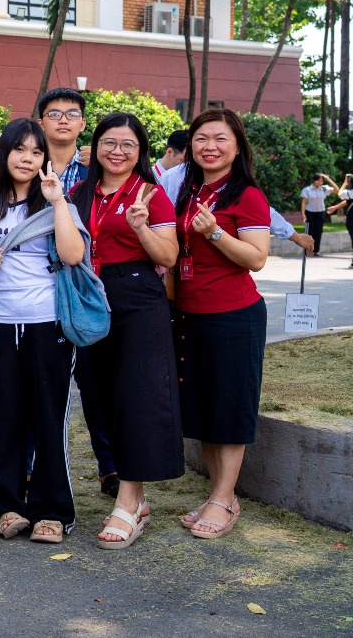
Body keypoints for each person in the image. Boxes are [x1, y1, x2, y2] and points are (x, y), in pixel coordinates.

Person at [70, 113, 183, 550]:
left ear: (141, 152)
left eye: (128, 145)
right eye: (109, 143)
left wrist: (141, 226)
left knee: (136, 396)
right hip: (89, 296)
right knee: (99, 396)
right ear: (96, 146)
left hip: (137, 297)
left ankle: (130, 500)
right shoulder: (79, 193)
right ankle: (132, 493)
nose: (117, 152)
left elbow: (168, 257)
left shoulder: (151, 194)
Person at [0, 119, 86, 545]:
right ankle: (5, 507)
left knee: (48, 419)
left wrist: (57, 203)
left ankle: (52, 511)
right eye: (19, 149)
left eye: (36, 152)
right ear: (4, 153)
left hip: (47, 324)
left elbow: (73, 255)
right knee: (5, 418)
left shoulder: (55, 200)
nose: (27, 158)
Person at [173, 109, 271, 540]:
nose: (209, 146)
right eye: (201, 138)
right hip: (190, 314)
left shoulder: (246, 195)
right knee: (205, 408)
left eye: (219, 138)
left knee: (229, 408)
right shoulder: (191, 190)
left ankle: (224, 498)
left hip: (234, 317)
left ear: (237, 146)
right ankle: (219, 494)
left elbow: (257, 258)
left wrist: (215, 233)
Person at [34, 87, 116, 496]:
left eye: (71, 113)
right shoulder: (27, 165)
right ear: (41, 122)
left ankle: (110, 466)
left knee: (93, 380)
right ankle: (32, 467)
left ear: (83, 123)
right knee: (39, 385)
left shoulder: (95, 171)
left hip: (82, 286)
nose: (63, 119)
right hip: (36, 289)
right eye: (54, 113)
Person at [159, 163, 314, 255]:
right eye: (201, 139)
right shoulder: (172, 177)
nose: (210, 148)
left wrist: (296, 237)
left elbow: (266, 214)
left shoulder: (239, 188)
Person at [300, 173, 338, 255]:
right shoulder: (307, 190)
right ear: (314, 180)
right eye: (318, 180)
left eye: (322, 181)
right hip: (310, 212)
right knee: (310, 232)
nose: (320, 182)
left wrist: (328, 179)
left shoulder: (324, 188)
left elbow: (336, 189)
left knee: (318, 231)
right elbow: (303, 202)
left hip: (320, 212)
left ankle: (316, 251)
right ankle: (308, 250)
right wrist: (303, 214)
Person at [325, 174, 353, 267]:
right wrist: (335, 207)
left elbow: (340, 194)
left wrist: (345, 183)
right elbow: (348, 201)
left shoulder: (348, 192)